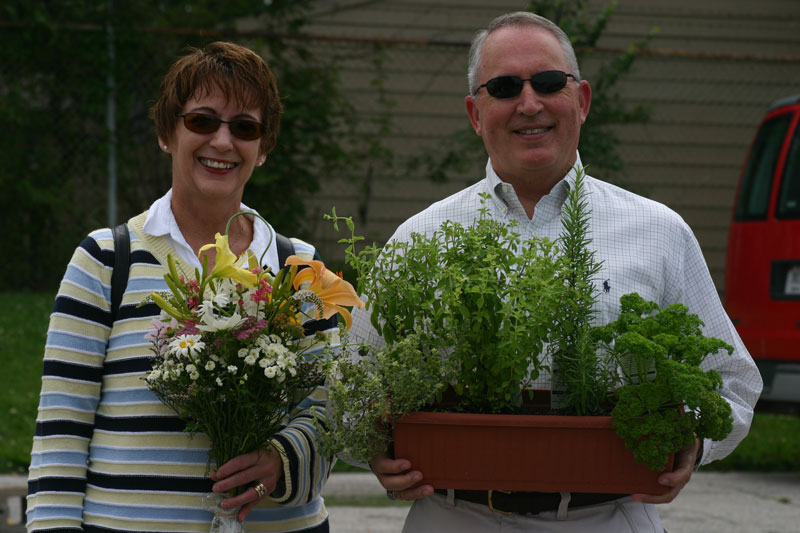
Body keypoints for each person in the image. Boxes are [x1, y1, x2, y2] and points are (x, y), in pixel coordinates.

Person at [349, 11, 762, 532]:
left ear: (582, 101)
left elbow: (734, 382)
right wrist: (375, 451)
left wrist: (694, 440)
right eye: (503, 87)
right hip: (454, 516)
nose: (529, 103)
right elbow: (353, 387)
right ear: (476, 113)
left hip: (608, 516)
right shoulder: (419, 239)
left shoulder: (659, 231)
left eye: (548, 83)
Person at [26, 42, 335, 532]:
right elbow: (60, 435)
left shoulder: (300, 269)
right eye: (202, 121)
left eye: (245, 127)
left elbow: (330, 408)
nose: (222, 141)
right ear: (166, 133)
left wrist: (283, 460)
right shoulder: (106, 260)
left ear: (264, 147)